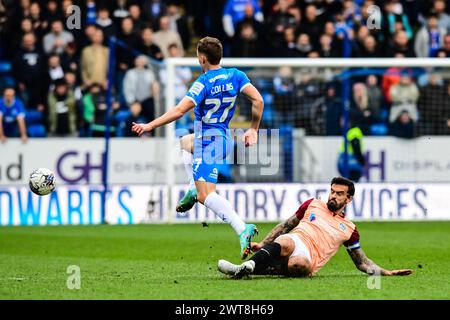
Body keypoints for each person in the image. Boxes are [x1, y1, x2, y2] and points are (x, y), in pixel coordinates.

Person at [132, 37, 264, 259]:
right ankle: (192, 187)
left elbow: (178, 111)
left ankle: (242, 229)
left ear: (202, 58)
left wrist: (150, 125)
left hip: (208, 142)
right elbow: (258, 100)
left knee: (206, 196)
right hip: (222, 138)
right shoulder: (236, 75)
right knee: (184, 143)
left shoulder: (203, 83)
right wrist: (253, 130)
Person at [218, 177, 414, 278]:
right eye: (331, 191)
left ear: (349, 199)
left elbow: (361, 263)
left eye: (339, 193)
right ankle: (247, 266)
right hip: (296, 240)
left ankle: (254, 269)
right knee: (285, 240)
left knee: (302, 265)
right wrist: (262, 244)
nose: (333, 196)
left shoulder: (349, 229)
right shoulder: (313, 203)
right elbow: (285, 226)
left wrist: (386, 272)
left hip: (308, 257)